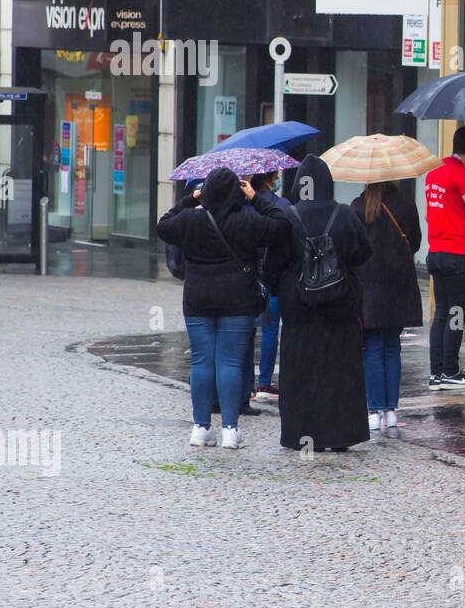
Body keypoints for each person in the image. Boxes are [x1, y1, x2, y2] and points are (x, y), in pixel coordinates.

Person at [156, 167, 290, 448]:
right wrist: (255, 198)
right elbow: (281, 225)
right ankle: (230, 429)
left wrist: (190, 199)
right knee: (230, 362)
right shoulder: (247, 220)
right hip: (237, 300)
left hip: (198, 299)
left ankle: (200, 428)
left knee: (202, 362)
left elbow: (164, 225)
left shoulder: (191, 220)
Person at [265, 155, 373, 451]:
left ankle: (303, 432)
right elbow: (363, 253)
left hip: (299, 308)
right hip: (339, 305)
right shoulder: (344, 215)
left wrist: (285, 287)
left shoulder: (287, 217)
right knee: (340, 369)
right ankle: (340, 434)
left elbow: (272, 265)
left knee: (301, 370)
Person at [352, 179, 423, 434]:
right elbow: (414, 243)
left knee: (371, 349)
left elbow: (353, 249)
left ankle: (374, 411)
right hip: (398, 287)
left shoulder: (358, 207)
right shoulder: (405, 205)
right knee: (392, 347)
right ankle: (391, 412)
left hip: (369, 289)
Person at [424, 125, 465, 390]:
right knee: (457, 313)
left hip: (436, 253)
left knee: (441, 314)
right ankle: (451, 370)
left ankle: (436, 373)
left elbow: (430, 214)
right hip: (459, 255)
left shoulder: (434, 172)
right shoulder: (462, 174)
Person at [250, 170, 290, 398]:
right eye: (275, 176)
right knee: (271, 329)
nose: (277, 180)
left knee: (245, 331)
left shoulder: (245, 205)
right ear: (269, 178)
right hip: (275, 278)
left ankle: (248, 386)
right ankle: (264, 382)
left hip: (250, 277)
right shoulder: (282, 205)